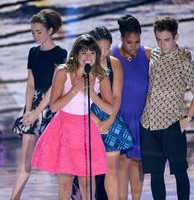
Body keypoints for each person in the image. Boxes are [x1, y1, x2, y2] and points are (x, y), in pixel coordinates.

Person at [31, 34, 114, 200]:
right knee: (66, 185)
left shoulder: (101, 75)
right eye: (84, 52)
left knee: (87, 185)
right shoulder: (63, 72)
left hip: (86, 130)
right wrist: (75, 89)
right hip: (64, 128)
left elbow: (110, 108)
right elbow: (54, 106)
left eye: (92, 52)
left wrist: (92, 93)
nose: (88, 57)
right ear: (76, 54)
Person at [10, 9, 67, 200]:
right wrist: (28, 111)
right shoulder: (33, 52)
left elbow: (54, 87)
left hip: (51, 107)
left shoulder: (61, 53)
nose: (35, 35)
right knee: (24, 160)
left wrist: (37, 112)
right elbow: (30, 84)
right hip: (33, 106)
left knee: (60, 161)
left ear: (50, 30)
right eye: (33, 32)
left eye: (39, 32)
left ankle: (72, 195)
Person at [140, 16, 193, 200]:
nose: (162, 45)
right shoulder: (153, 54)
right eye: (159, 40)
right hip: (148, 125)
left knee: (179, 171)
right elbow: (136, 51)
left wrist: (188, 118)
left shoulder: (184, 62)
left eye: (167, 40)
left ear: (176, 37)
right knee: (155, 174)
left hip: (172, 125)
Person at [88, 26, 134, 200]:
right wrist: (94, 120)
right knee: (89, 171)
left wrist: (110, 120)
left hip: (110, 117)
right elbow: (78, 98)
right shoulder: (82, 63)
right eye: (101, 48)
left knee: (112, 169)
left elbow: (117, 95)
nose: (105, 51)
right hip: (87, 118)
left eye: (108, 47)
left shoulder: (114, 63)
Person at [112, 14, 150, 200]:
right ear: (121, 39)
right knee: (120, 162)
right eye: (129, 42)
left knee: (137, 162)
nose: (133, 46)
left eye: (137, 42)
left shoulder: (149, 54)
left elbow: (171, 60)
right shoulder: (111, 55)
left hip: (141, 118)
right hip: (119, 117)